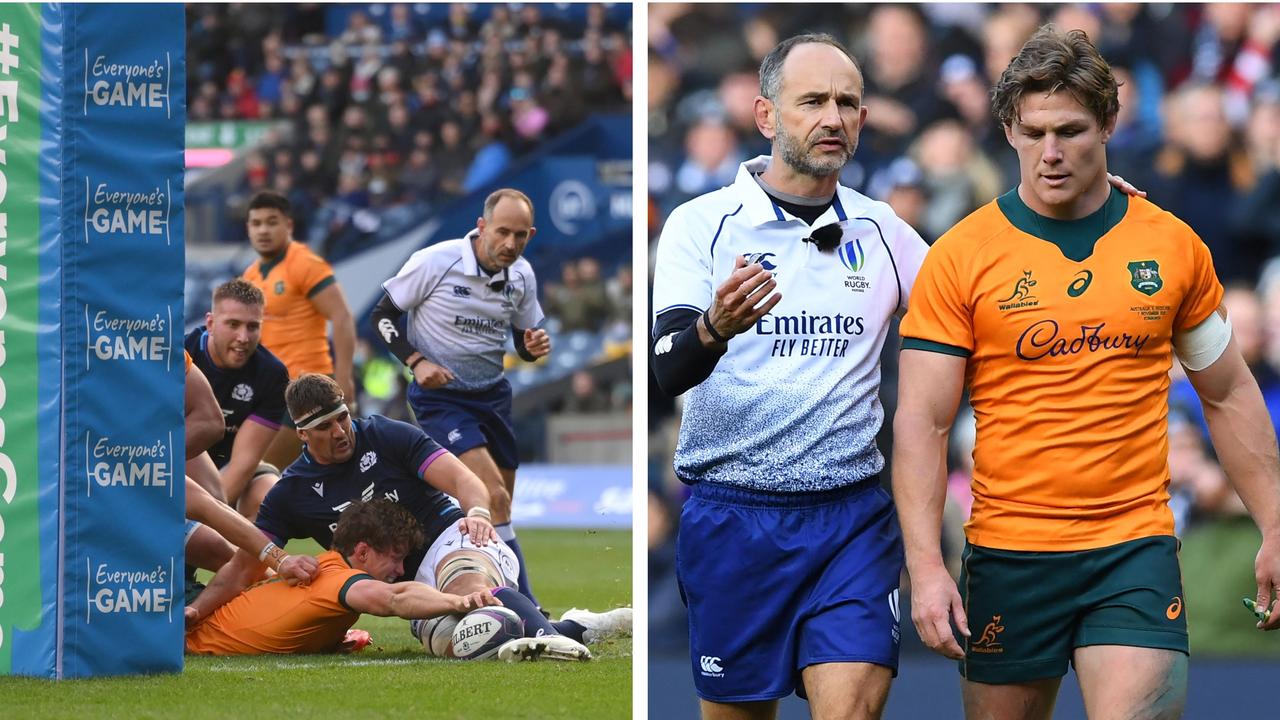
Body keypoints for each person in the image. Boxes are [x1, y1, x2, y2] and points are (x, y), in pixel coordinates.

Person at [893, 26, 1280, 720]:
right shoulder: (959, 257)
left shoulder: (1171, 246)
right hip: (1009, 554)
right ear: (1008, 127)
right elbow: (923, 420)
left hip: (1132, 549)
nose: (1049, 153)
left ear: (1108, 123)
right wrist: (925, 567)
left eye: (1070, 130)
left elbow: (1227, 392)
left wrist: (1276, 524)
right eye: (1033, 131)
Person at [650, 33, 931, 719]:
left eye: (848, 103)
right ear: (767, 116)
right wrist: (713, 327)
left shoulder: (885, 231)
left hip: (851, 519)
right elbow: (666, 371)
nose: (833, 117)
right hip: (733, 517)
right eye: (813, 101)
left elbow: (977, 303)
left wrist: (1084, 200)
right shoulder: (701, 225)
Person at [186, 374, 629, 662]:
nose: (340, 432)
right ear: (302, 434)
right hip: (402, 581)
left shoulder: (385, 434)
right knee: (463, 641)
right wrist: (198, 610)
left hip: (453, 538)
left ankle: (554, 644)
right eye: (324, 427)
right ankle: (578, 625)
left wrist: (476, 510)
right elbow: (243, 566)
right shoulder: (291, 492)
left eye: (342, 419)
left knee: (468, 587)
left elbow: (465, 480)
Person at [369, 188, 550, 606]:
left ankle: (492, 587)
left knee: (501, 510)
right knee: (494, 497)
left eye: (520, 236)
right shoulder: (437, 260)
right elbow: (382, 315)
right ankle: (525, 602)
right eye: (502, 232)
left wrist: (531, 345)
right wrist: (416, 361)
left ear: (531, 234)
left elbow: (522, 339)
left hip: (494, 397)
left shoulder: (522, 275)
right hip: (442, 399)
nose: (510, 244)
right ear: (481, 226)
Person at [185, 499, 495, 656]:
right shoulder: (337, 582)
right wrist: (459, 600)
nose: (400, 569)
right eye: (395, 557)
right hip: (185, 637)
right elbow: (396, 598)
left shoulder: (325, 571)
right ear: (362, 552)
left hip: (188, 627)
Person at [241, 191, 357, 472]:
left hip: (307, 387)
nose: (263, 230)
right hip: (271, 390)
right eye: (256, 224)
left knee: (257, 471)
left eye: (272, 222)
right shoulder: (251, 275)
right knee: (264, 473)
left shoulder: (304, 264)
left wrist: (344, 378)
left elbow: (341, 316)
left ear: (288, 226)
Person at [185, 279, 291, 522]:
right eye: (233, 324)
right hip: (178, 464)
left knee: (268, 493)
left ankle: (243, 560)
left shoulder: (272, 375)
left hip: (227, 470)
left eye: (253, 327)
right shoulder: (178, 354)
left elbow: (242, 465)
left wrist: (206, 520)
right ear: (210, 323)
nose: (243, 337)